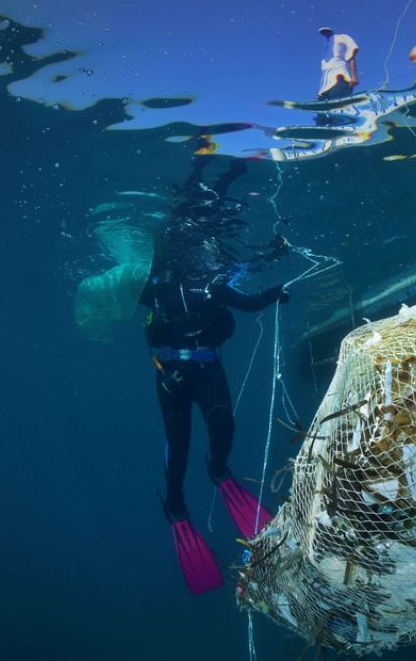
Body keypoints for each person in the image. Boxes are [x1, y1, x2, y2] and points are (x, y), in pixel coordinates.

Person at [140, 148, 291, 594]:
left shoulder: (212, 278)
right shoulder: (161, 279)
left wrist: (274, 286)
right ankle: (175, 504)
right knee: (178, 439)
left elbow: (245, 296)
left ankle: (220, 470)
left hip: (207, 368)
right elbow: (148, 331)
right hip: (171, 375)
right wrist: (160, 365)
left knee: (223, 422)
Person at [317, 26, 359, 101]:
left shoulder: (342, 37)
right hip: (324, 87)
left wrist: (354, 76)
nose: (325, 33)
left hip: (340, 79)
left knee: (337, 106)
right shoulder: (326, 47)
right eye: (323, 32)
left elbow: (351, 56)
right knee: (322, 109)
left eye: (327, 31)